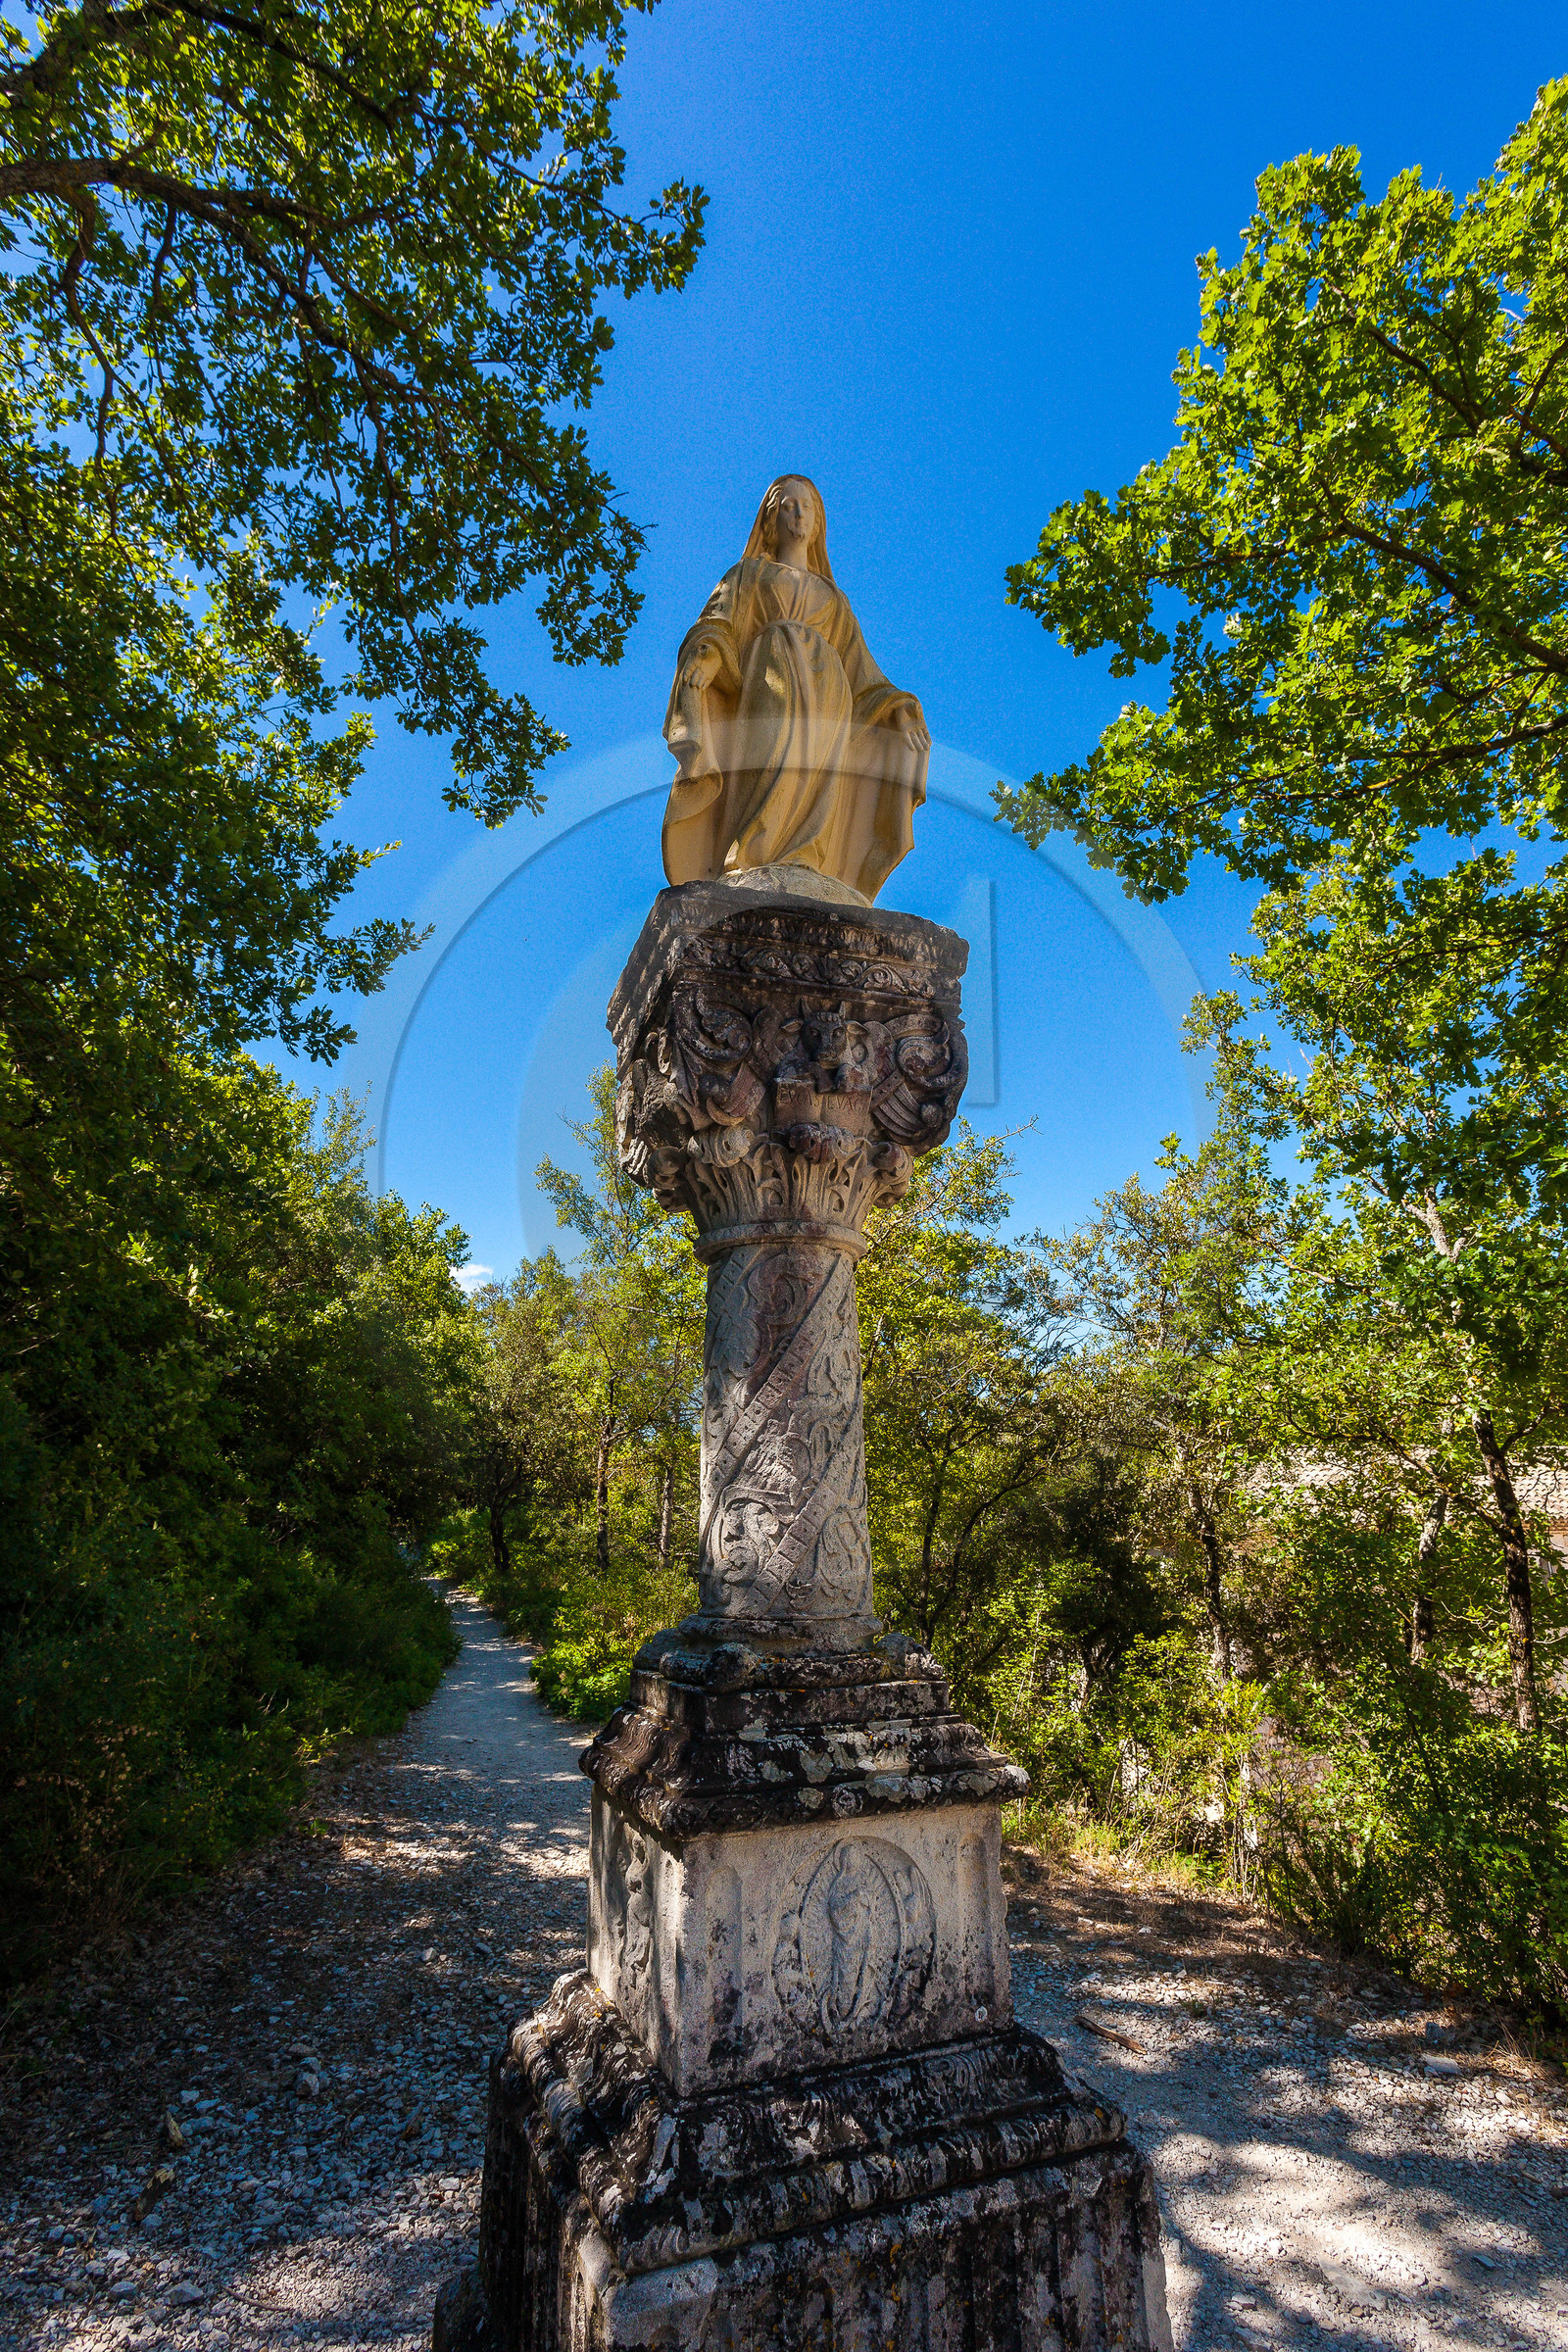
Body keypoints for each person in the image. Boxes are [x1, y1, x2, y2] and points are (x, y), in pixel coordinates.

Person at [662, 475, 931, 903]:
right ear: (771, 518)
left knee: (818, 780)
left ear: (819, 523)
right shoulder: (749, 575)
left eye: (807, 506)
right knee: (768, 768)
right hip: (771, 683)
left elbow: (864, 674)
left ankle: (807, 860)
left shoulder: (835, 600)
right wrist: (710, 652)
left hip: (829, 696)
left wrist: (899, 708)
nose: (799, 514)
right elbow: (716, 626)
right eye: (788, 505)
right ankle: (751, 857)